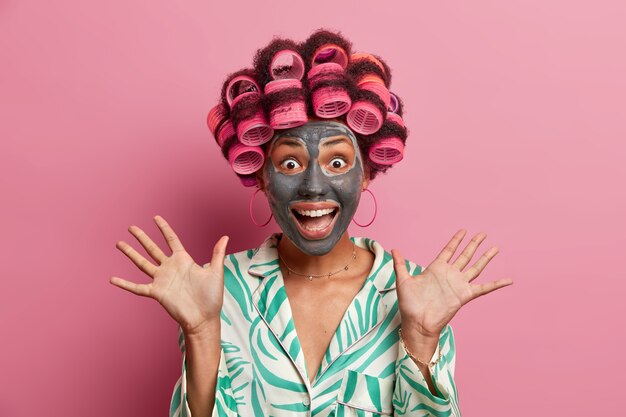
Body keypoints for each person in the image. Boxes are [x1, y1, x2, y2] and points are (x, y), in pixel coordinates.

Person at [110, 29, 513, 417]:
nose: (314, 186)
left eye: (337, 162)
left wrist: (422, 339)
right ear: (262, 176)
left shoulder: (416, 294)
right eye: (289, 163)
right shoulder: (217, 290)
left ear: (367, 173)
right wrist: (200, 333)